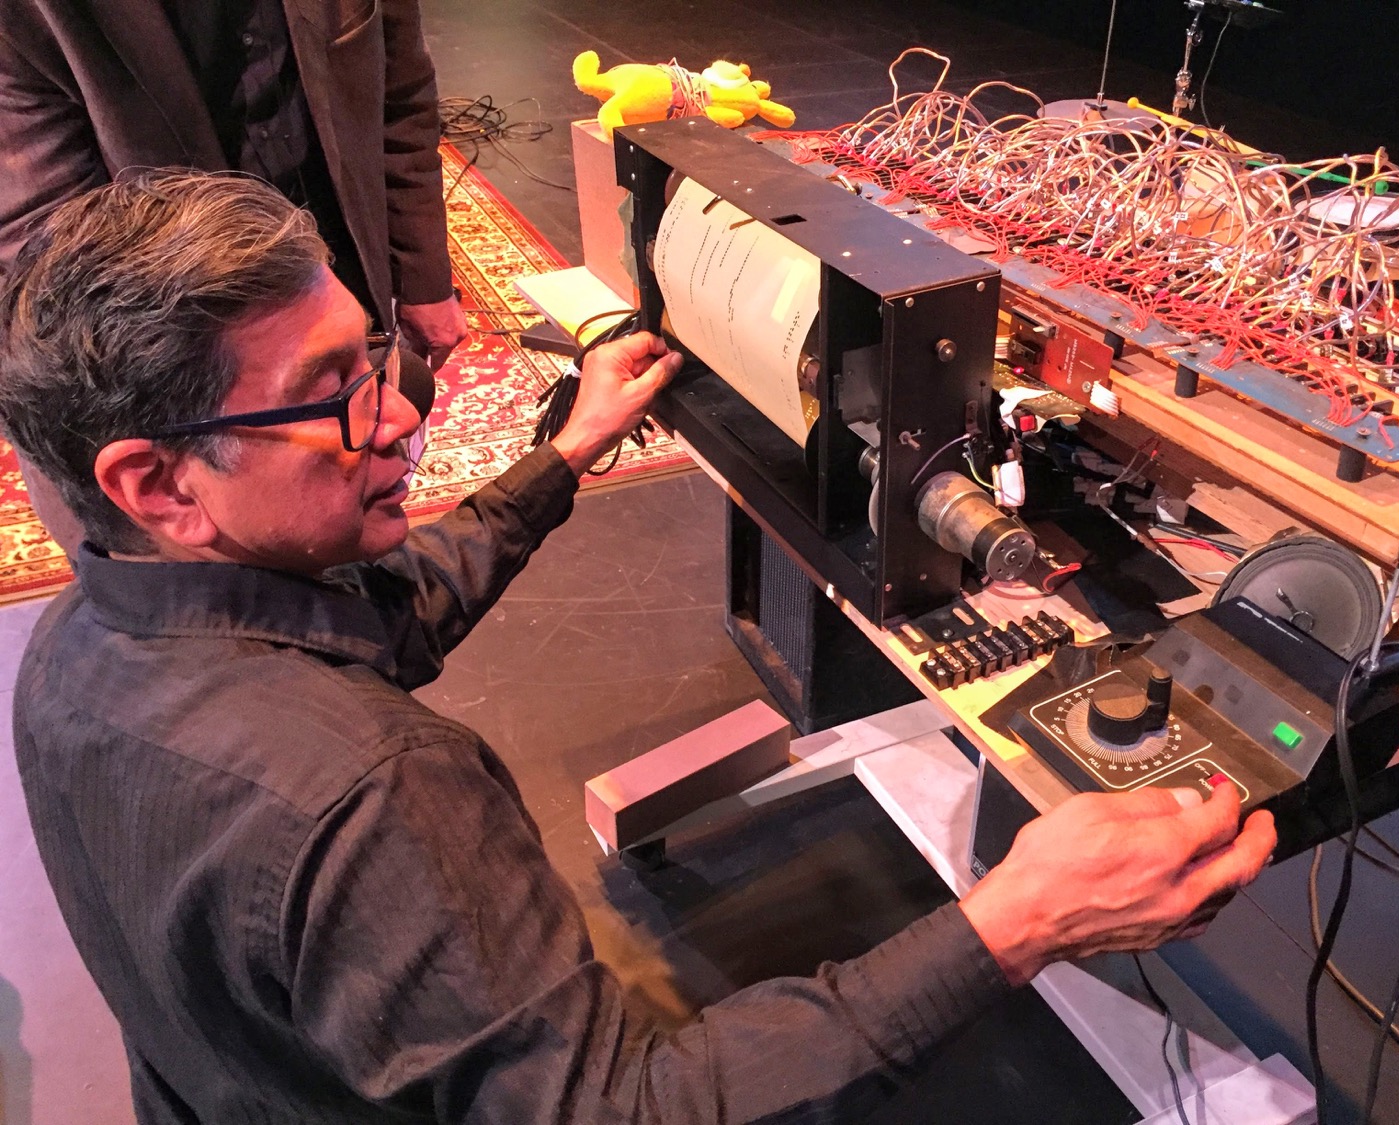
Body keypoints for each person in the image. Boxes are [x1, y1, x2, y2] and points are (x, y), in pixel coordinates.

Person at [0, 171, 1277, 1124]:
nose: (396, 419)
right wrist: (1021, 918)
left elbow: (382, 614)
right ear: (157, 484)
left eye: (373, 356)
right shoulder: (370, 794)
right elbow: (628, 1113)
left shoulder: (84, 640)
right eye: (333, 395)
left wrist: (564, 454)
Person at [0, 0, 467, 553]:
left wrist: (422, 278)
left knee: (354, 546)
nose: (405, 419)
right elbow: (51, 262)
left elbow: (401, 100)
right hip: (170, 377)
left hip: (336, 287)